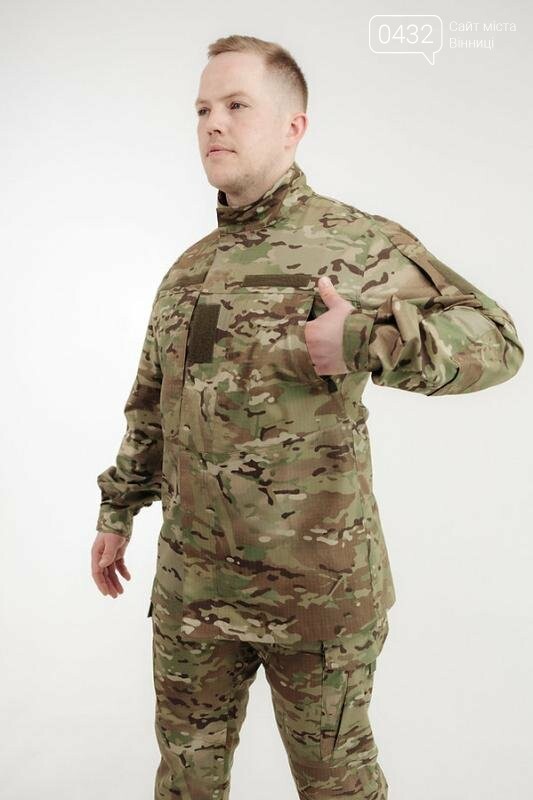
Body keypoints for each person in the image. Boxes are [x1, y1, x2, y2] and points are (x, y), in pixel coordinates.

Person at [90, 34, 524, 800]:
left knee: (338, 789)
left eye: (236, 105)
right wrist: (117, 512)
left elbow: (497, 341)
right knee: (185, 786)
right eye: (201, 109)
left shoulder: (354, 244)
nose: (212, 123)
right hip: (196, 596)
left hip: (316, 601)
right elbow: (151, 407)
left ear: (293, 127)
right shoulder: (187, 270)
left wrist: (366, 340)